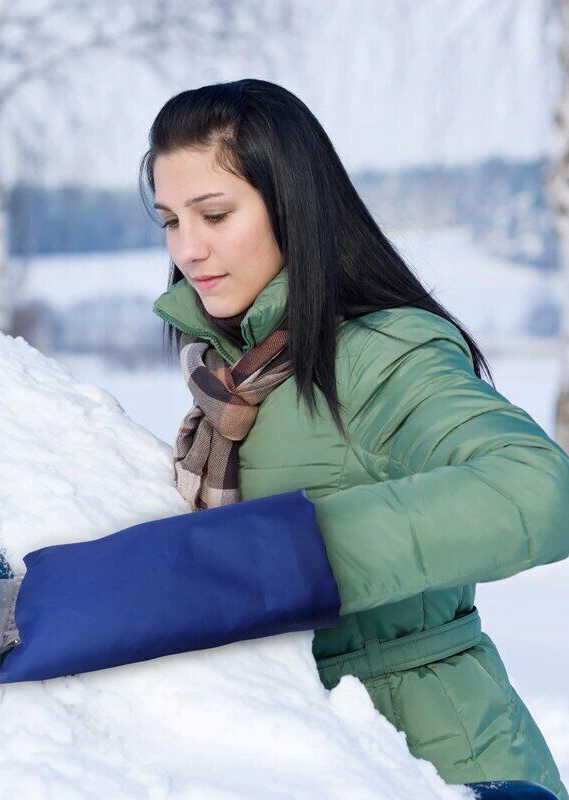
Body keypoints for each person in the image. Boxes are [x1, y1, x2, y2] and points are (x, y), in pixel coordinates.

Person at [138, 78, 569, 798]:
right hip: (314, 759)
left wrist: (295, 556)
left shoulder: (378, 353)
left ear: (292, 206)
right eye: (170, 221)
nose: (189, 248)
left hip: (444, 767)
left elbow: (538, 486)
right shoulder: (228, 377)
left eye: (214, 213)